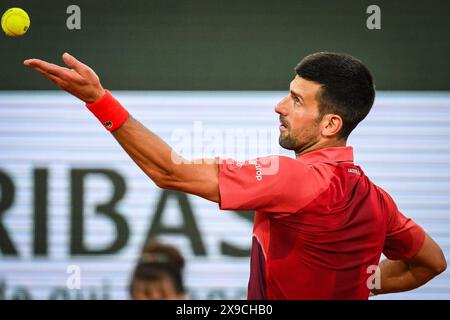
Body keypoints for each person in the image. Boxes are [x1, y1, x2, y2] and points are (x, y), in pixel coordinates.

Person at [23, 52, 447, 300]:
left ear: (331, 125)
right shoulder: (378, 201)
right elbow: (430, 264)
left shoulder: (296, 179)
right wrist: (359, 283)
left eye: (296, 101)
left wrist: (99, 100)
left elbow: (168, 171)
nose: (280, 106)